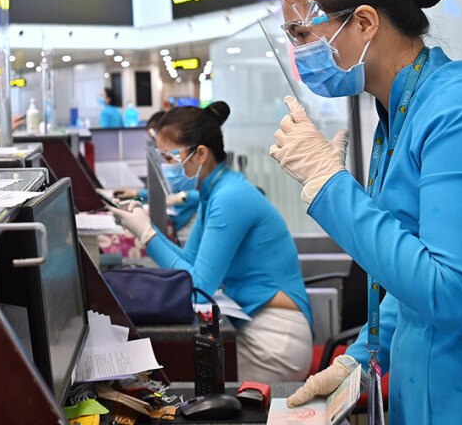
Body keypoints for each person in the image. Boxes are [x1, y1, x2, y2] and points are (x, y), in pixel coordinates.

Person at [269, 0, 462, 424]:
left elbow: (450, 290)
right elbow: (408, 267)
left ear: (365, 22)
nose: (298, 52)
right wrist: (360, 357)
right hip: (430, 391)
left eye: (302, 33)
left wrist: (328, 185)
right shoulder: (399, 114)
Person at [109, 103, 314, 383]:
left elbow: (199, 288)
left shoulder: (230, 196)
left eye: (170, 158)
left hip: (275, 338)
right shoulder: (214, 192)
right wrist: (145, 227)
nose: (165, 167)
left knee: (174, 372)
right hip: (254, 323)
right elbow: (189, 263)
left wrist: (147, 235)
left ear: (201, 154)